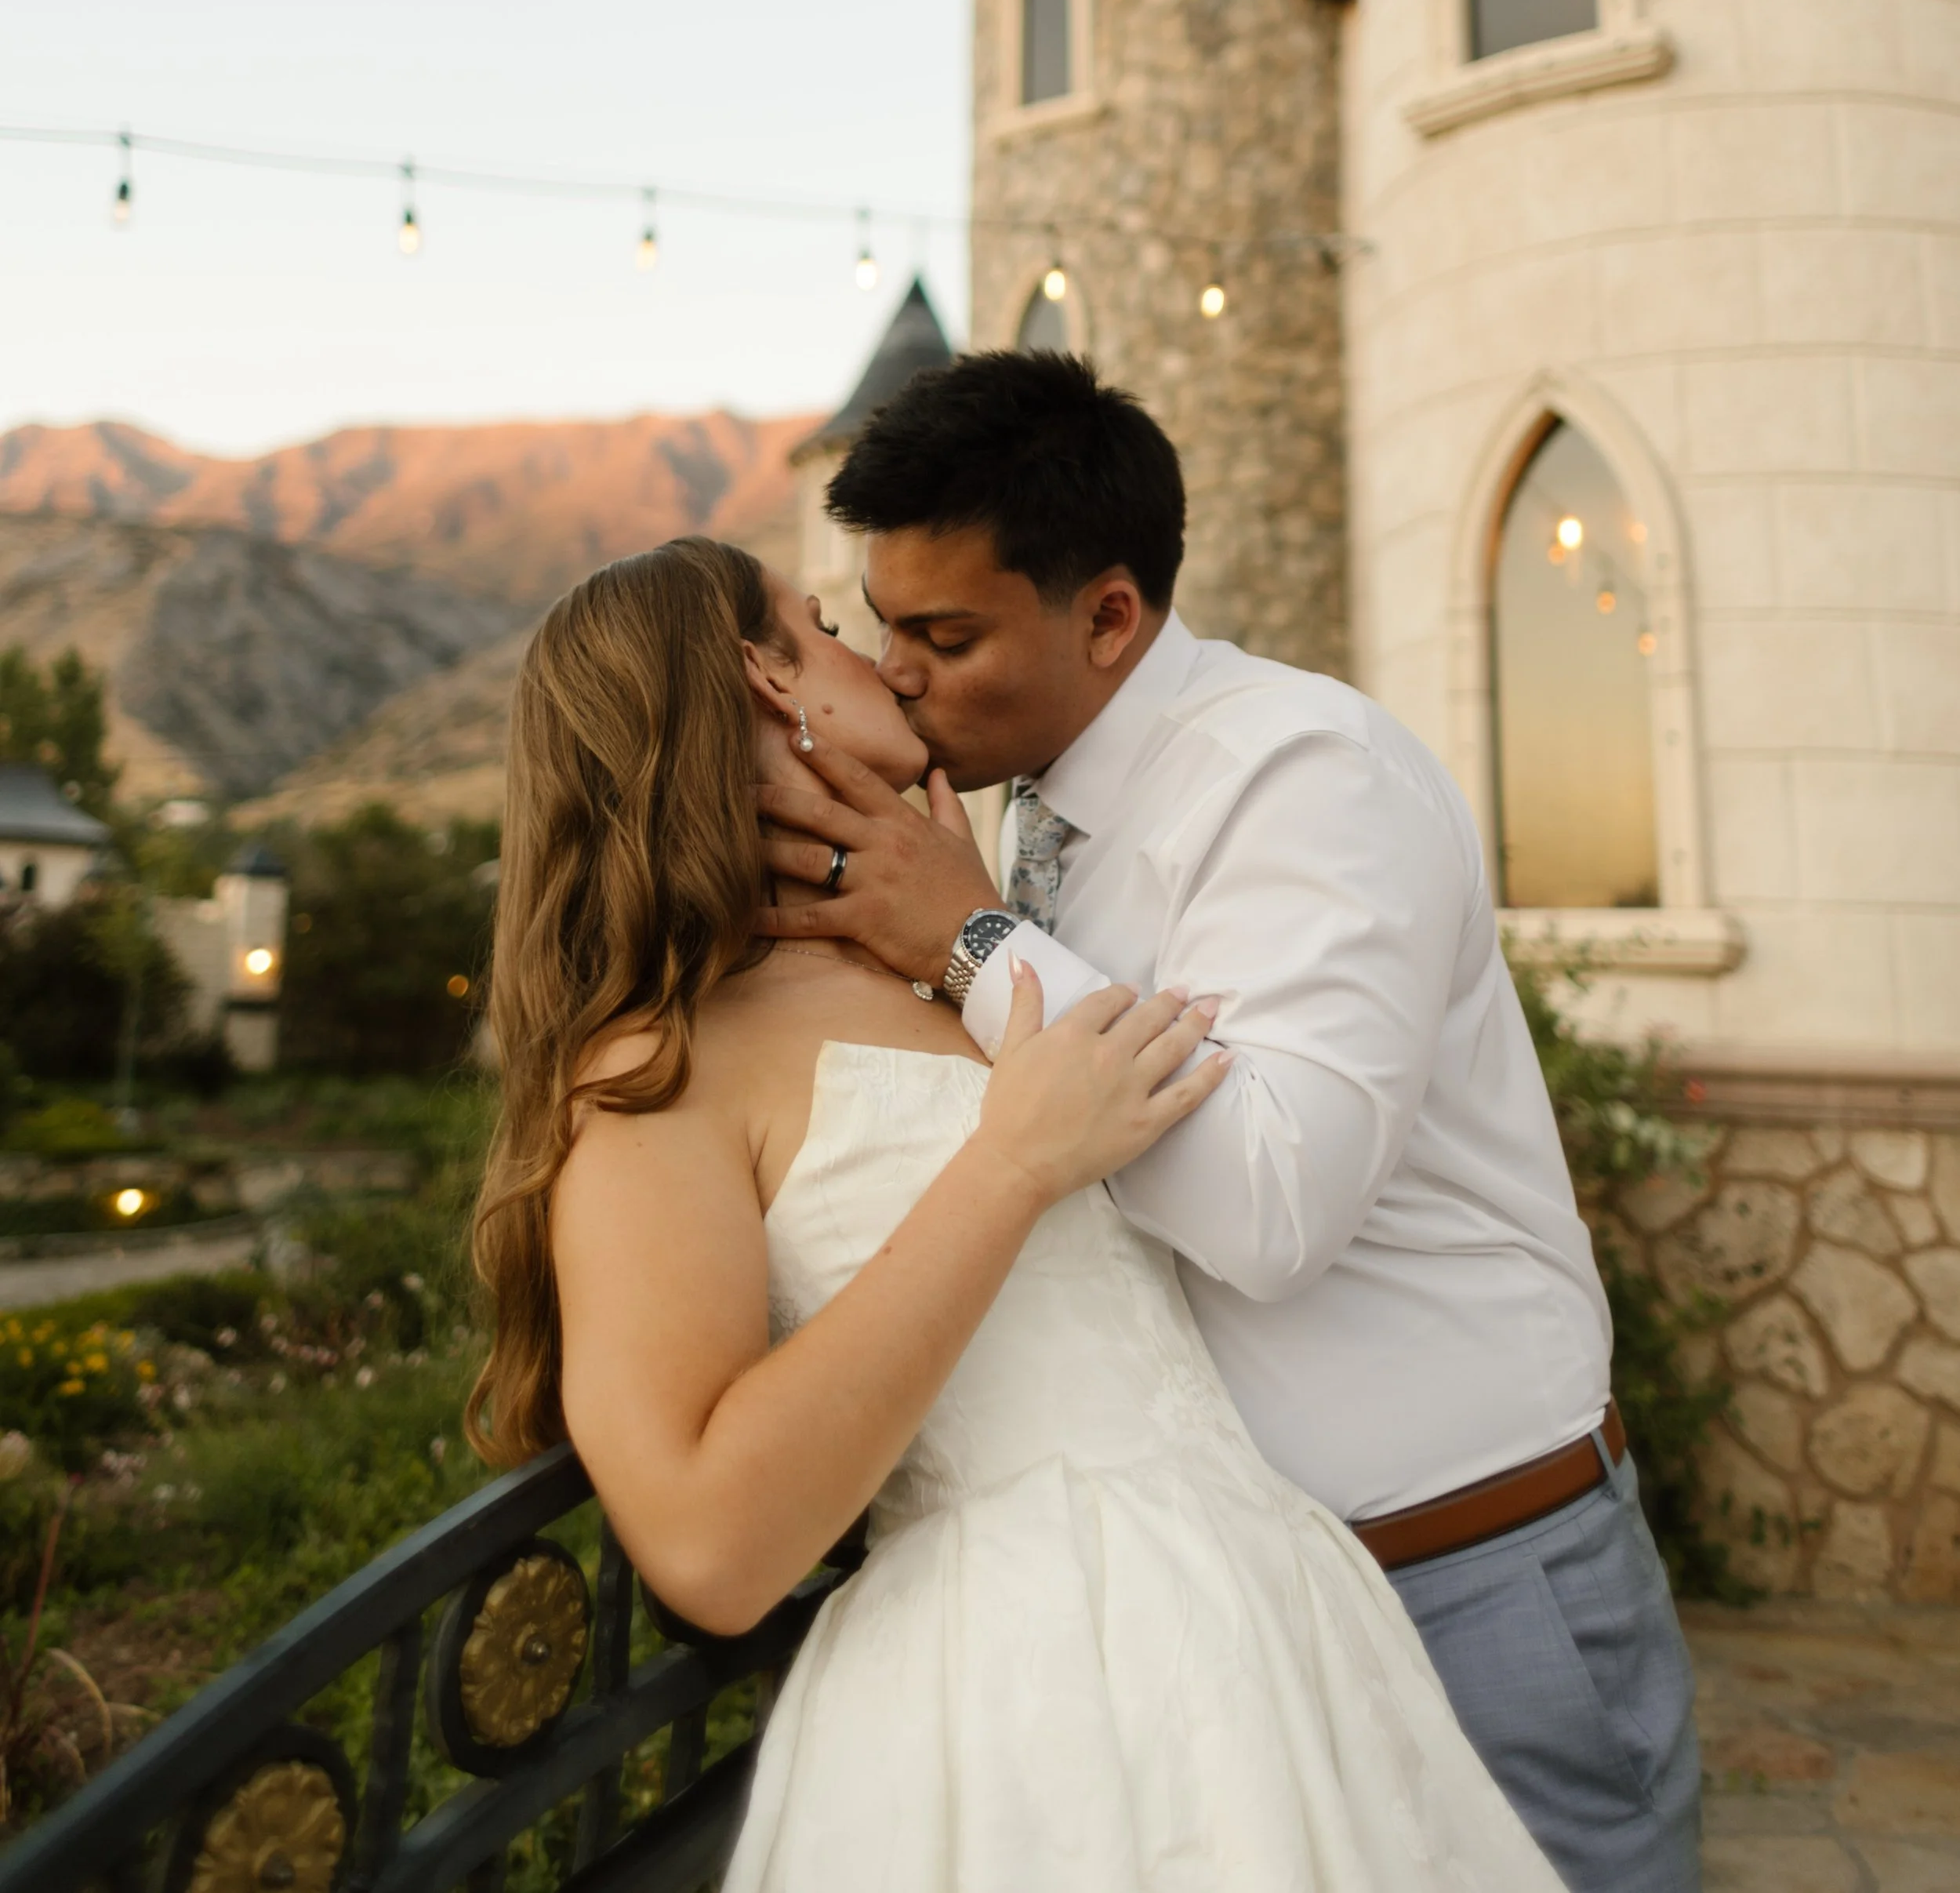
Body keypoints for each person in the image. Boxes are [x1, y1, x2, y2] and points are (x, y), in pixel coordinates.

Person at [470, 537, 1563, 1891]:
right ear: (765, 685)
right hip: (1030, 1684)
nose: (877, 660)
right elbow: (708, 1544)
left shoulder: (941, 951)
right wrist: (1008, 1168)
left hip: (1267, 1618)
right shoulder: (657, 1070)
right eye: (820, 628)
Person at [754, 350, 1701, 1893]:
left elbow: (1271, 1208)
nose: (901, 676)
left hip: (1467, 1577)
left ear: (1109, 615)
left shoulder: (1307, 778)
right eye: (880, 631)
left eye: (945, 635)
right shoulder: (1016, 813)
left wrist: (973, 947)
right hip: (1248, 1623)